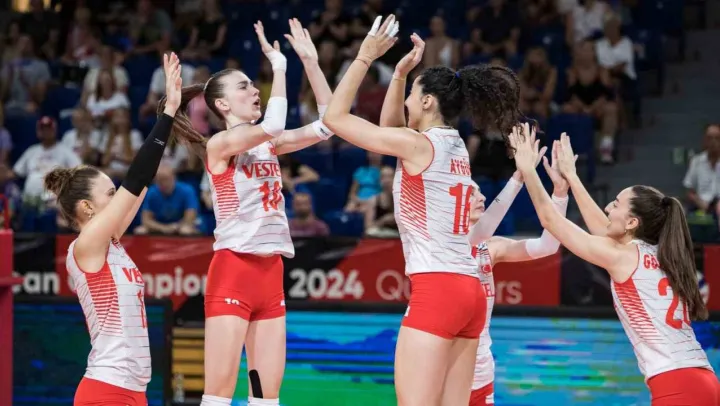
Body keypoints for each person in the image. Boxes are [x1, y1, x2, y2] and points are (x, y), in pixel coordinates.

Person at [322, 15, 526, 406]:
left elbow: (334, 118)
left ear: (428, 101)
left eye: (412, 96)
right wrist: (401, 75)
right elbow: (391, 132)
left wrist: (364, 57)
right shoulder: (454, 145)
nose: (406, 102)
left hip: (438, 289)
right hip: (470, 292)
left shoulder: (419, 146)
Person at [165, 19, 334, 406]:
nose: (255, 90)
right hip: (233, 271)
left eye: (253, 85)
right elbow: (273, 123)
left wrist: (310, 62)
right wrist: (279, 65)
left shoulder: (269, 145)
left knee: (267, 398)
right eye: (244, 87)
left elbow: (329, 125)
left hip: (271, 273)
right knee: (218, 396)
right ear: (222, 104)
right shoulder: (220, 144)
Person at [511, 128, 720, 406]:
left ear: (632, 222)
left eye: (616, 204)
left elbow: (551, 221)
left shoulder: (625, 256)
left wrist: (528, 169)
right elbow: (604, 230)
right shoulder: (656, 253)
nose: (609, 207)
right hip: (701, 378)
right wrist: (572, 177)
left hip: (677, 384)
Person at [44, 52, 182, 406]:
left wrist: (172, 117)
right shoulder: (86, 244)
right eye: (110, 193)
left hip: (133, 391)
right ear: (87, 208)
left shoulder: (111, 240)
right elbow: (135, 178)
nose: (117, 196)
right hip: (106, 390)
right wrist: (167, 113)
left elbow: (143, 179)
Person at [466, 138, 570, 406]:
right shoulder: (445, 246)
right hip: (448, 363)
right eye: (473, 194)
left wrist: (560, 194)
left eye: (480, 192)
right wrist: (519, 177)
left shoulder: (491, 247)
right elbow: (481, 231)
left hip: (481, 366)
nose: (482, 197)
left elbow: (548, 246)